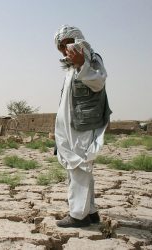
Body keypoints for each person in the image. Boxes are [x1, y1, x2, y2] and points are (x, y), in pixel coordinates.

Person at [53, 25, 112, 228]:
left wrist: (82, 65)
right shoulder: (71, 67)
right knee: (78, 167)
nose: (63, 49)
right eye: (60, 46)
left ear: (76, 41)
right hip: (71, 127)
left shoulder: (91, 59)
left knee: (79, 166)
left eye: (66, 44)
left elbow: (98, 82)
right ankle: (91, 211)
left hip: (82, 126)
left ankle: (78, 215)